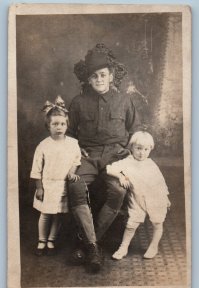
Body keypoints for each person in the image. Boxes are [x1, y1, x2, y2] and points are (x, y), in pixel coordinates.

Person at [67, 43, 141, 272]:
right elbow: (69, 134)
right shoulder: (78, 102)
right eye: (94, 76)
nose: (98, 79)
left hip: (116, 157)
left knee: (118, 190)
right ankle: (94, 246)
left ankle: (89, 244)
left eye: (103, 75)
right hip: (87, 156)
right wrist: (76, 151)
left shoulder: (125, 101)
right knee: (75, 187)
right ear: (87, 80)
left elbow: (136, 131)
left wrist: (130, 155)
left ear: (111, 77)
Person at [106, 131, 171, 260]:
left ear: (150, 150)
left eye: (146, 149)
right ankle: (123, 247)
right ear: (132, 147)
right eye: (139, 148)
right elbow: (109, 168)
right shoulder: (127, 162)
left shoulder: (151, 165)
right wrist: (121, 176)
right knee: (132, 223)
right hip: (137, 198)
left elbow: (160, 183)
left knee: (157, 222)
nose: (142, 153)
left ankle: (153, 246)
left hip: (155, 197)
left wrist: (166, 197)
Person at [30, 96, 81, 256]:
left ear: (67, 125)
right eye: (55, 124)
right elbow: (36, 169)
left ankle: (51, 239)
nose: (59, 127)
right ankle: (42, 240)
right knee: (46, 214)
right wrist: (39, 187)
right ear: (48, 126)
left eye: (62, 124)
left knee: (58, 214)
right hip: (48, 185)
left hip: (63, 184)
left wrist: (72, 171)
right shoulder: (44, 145)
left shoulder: (73, 143)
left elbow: (76, 159)